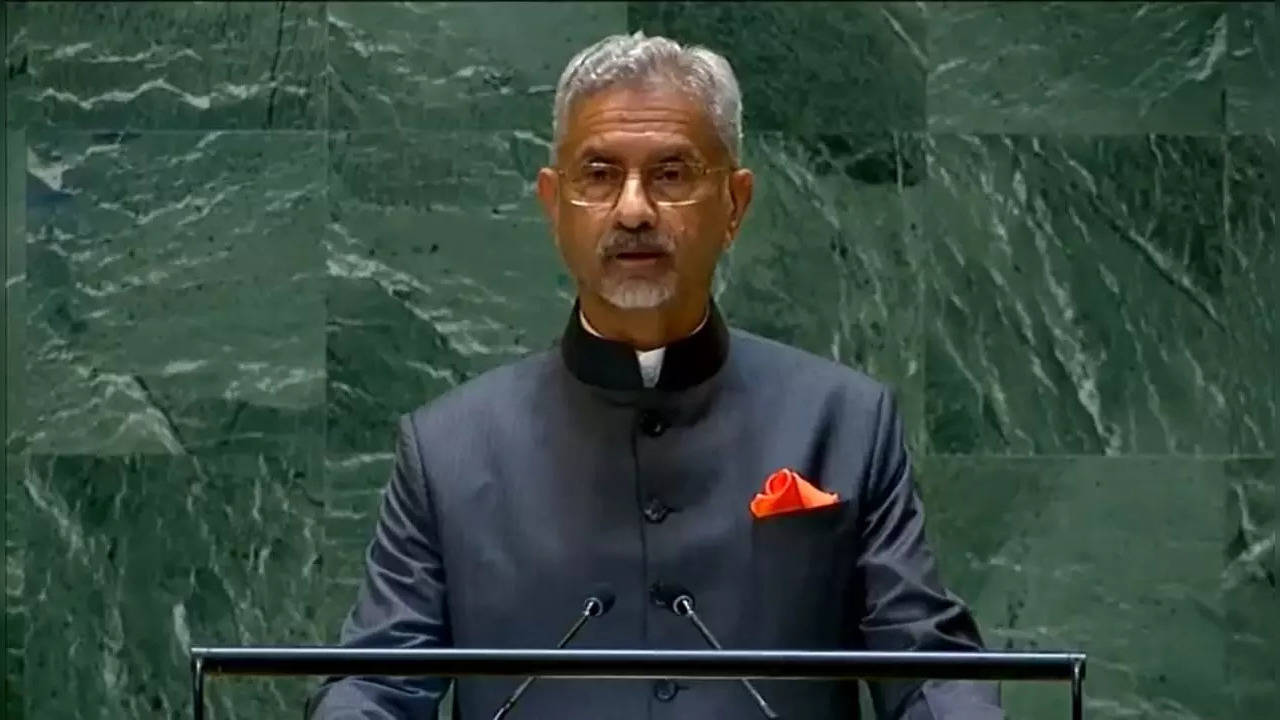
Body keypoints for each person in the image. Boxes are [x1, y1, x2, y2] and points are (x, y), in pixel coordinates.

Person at [307, 32, 1002, 720]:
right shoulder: (447, 450)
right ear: (554, 206)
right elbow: (374, 685)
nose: (634, 210)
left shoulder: (846, 422)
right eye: (599, 174)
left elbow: (928, 670)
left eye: (671, 174)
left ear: (734, 206)